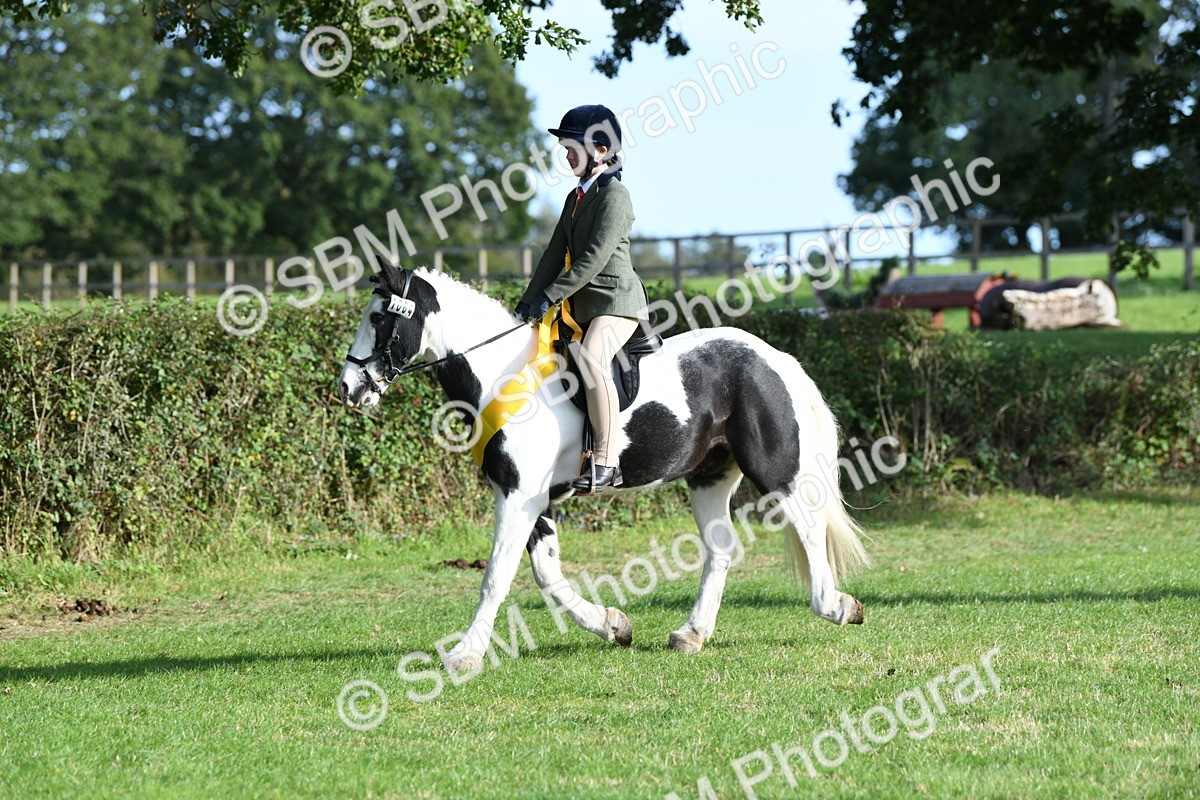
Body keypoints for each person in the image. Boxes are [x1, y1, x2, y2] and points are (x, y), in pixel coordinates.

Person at [515, 104, 650, 493]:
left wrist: (551, 296)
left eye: (572, 147)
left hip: (616, 305)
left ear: (601, 151)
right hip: (582, 307)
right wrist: (528, 302)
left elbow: (592, 259)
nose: (566, 154)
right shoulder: (575, 197)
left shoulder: (616, 196)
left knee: (592, 356)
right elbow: (553, 254)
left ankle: (607, 460)